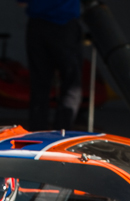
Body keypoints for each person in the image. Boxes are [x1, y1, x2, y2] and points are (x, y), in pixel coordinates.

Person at [20, 0, 83, 131]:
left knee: (39, 84)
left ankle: (38, 133)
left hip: (37, 27)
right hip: (64, 25)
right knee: (71, 84)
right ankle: (62, 132)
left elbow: (22, 3)